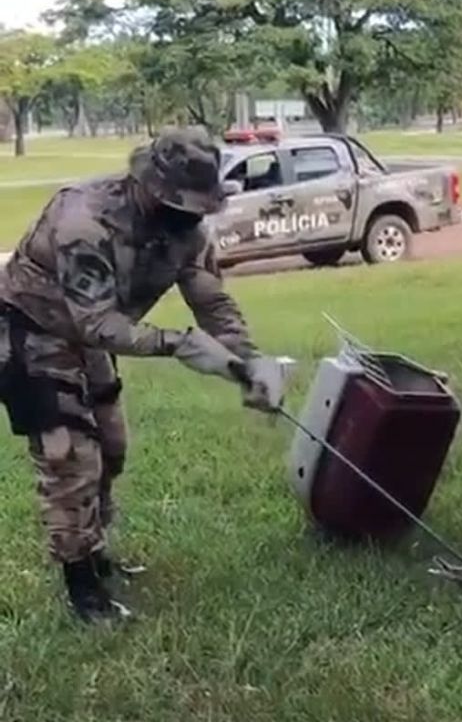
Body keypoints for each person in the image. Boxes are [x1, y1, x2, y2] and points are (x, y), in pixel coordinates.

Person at [0, 125, 278, 623]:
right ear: (152, 188)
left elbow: (209, 297)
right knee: (71, 455)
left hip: (88, 333)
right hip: (31, 329)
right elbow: (98, 323)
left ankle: (97, 551)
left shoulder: (186, 229)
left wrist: (248, 360)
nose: (189, 217)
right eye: (180, 205)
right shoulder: (84, 220)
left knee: (112, 444)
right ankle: (82, 586)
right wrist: (180, 344)